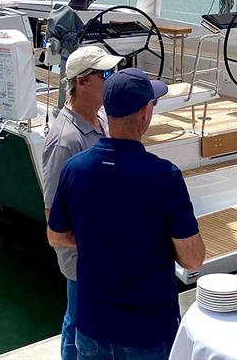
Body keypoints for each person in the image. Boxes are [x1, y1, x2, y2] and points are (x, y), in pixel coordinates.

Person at [47, 68, 205, 360]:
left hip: (92, 326)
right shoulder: (164, 176)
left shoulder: (75, 169)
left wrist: (99, 241)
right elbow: (193, 258)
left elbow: (56, 236)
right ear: (145, 113)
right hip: (148, 331)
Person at [41, 45, 123, 360]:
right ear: (82, 82)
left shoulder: (98, 120)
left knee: (83, 319)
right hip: (82, 257)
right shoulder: (66, 140)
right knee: (77, 322)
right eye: (106, 74)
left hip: (99, 249)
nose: (111, 79)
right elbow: (52, 212)